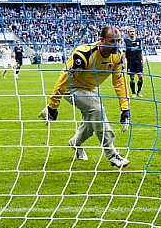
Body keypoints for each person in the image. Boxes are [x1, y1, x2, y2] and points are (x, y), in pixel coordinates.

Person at [37, 26, 130, 168]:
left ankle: (75, 142)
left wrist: (125, 108)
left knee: (92, 123)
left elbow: (119, 82)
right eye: (112, 41)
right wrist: (53, 105)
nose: (117, 45)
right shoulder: (83, 55)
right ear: (101, 40)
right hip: (70, 87)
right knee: (98, 110)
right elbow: (64, 79)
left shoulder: (117, 56)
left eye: (118, 41)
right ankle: (112, 154)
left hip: (90, 89)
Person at [122, 26, 145, 97]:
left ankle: (139, 92)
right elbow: (124, 52)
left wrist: (142, 60)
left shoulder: (139, 41)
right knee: (132, 77)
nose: (132, 33)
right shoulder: (126, 41)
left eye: (133, 31)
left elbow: (141, 51)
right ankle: (133, 93)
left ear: (135, 32)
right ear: (128, 33)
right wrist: (123, 62)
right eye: (130, 32)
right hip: (130, 61)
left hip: (138, 61)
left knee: (140, 76)